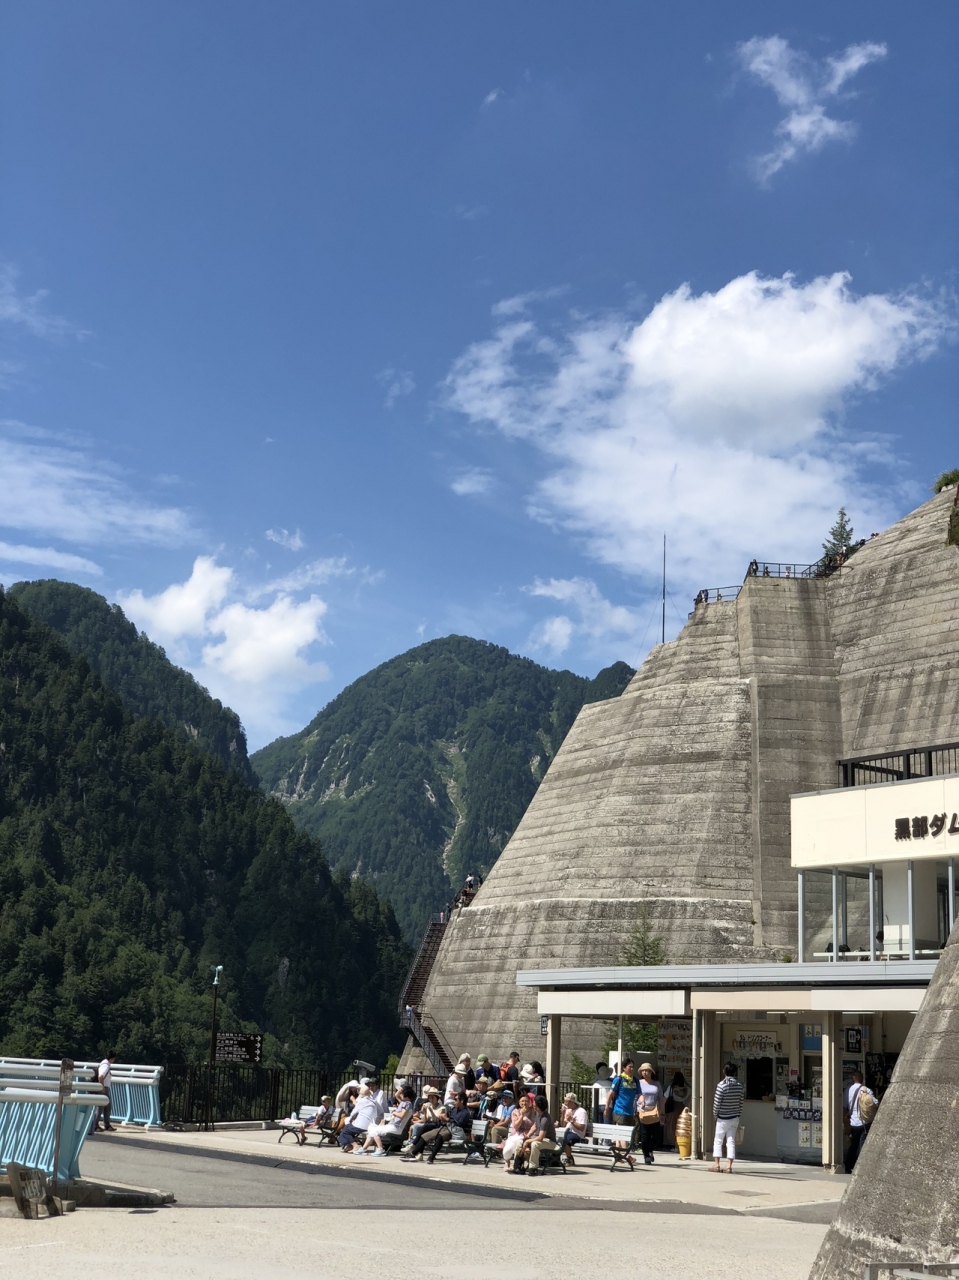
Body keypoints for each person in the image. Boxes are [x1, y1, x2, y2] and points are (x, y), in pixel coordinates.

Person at [357, 1085, 415, 1156]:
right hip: (393, 1125)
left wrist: (394, 1113)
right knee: (372, 1130)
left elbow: (402, 1115)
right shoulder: (405, 1103)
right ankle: (364, 1148)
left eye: (401, 1093)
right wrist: (400, 1090)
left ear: (405, 1094)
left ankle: (380, 1149)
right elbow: (396, 1095)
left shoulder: (406, 1104)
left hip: (396, 1127)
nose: (400, 1094)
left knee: (375, 1131)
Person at [604, 1057, 640, 1166]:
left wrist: (642, 1100)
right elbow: (610, 1094)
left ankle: (618, 1155)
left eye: (633, 1067)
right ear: (624, 1068)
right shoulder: (619, 1079)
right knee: (623, 1132)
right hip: (619, 1110)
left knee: (622, 1133)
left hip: (630, 1111)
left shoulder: (635, 1081)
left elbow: (639, 1094)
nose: (632, 1069)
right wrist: (606, 1107)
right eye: (629, 1067)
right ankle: (627, 1155)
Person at [711, 1062, 745, 1173]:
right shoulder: (739, 1086)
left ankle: (716, 1164)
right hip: (734, 1117)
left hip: (722, 1117)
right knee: (731, 1141)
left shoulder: (721, 1085)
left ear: (724, 1071)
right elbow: (741, 1103)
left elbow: (717, 1103)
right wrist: (738, 1114)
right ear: (735, 1072)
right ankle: (729, 1165)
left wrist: (715, 1115)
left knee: (718, 1140)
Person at [844, 1070, 876, 1173]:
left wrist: (845, 1121)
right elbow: (875, 1103)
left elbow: (844, 1107)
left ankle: (848, 1165)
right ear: (862, 1079)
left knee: (853, 1145)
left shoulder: (848, 1090)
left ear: (853, 1078)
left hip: (853, 1123)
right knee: (863, 1146)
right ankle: (861, 1168)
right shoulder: (867, 1090)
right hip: (864, 1122)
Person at [521, 1095, 559, 1177]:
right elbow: (535, 1126)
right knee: (520, 1142)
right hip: (543, 1140)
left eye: (534, 1103)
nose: (532, 1104)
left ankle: (533, 1168)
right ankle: (519, 1165)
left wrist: (528, 1141)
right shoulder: (538, 1114)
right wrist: (527, 1136)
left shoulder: (545, 1118)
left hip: (550, 1142)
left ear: (538, 1106)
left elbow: (540, 1137)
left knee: (535, 1144)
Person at [336, 1085, 380, 1152]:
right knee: (348, 1129)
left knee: (345, 1132)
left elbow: (354, 1112)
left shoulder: (362, 1101)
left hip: (361, 1125)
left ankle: (355, 1146)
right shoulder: (374, 1101)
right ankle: (349, 1145)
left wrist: (354, 1101)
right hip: (371, 1124)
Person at [636, 1063, 664, 1165]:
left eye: (647, 1070)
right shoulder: (639, 1083)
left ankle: (650, 1149)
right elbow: (636, 1095)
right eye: (643, 1071)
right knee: (645, 1135)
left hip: (654, 1110)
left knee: (656, 1135)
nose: (644, 1072)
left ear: (651, 1072)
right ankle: (646, 1156)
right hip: (642, 1110)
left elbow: (661, 1099)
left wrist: (662, 1113)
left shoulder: (656, 1084)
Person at [502, 1094, 534, 1172]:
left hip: (529, 1135)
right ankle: (507, 1162)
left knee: (519, 1146)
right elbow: (516, 1126)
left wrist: (528, 1135)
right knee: (507, 1150)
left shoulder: (533, 1112)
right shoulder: (515, 1112)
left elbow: (535, 1125)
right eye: (522, 1101)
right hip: (516, 1134)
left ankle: (517, 1165)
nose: (524, 1103)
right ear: (519, 1102)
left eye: (526, 1101)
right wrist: (522, 1115)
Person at [559, 1092, 589, 1166]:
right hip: (568, 1132)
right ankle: (558, 1158)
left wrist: (572, 1121)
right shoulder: (568, 1110)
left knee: (565, 1140)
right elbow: (563, 1125)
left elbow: (582, 1128)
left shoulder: (581, 1112)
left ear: (572, 1102)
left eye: (566, 1101)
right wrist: (563, 1113)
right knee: (558, 1139)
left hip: (577, 1134)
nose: (565, 1103)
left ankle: (569, 1159)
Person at [663, 1071, 690, 1149]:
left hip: (673, 1108)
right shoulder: (687, 1088)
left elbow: (665, 1098)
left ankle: (675, 1144)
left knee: (672, 1126)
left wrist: (662, 1110)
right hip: (683, 1108)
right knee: (682, 1127)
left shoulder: (671, 1088)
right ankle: (680, 1145)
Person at [95, 1051, 116, 1132]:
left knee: (107, 1106)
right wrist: (102, 1087)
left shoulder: (103, 1063)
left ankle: (107, 1125)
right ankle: (95, 1125)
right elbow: (100, 1076)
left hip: (104, 1088)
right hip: (104, 1088)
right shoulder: (106, 1065)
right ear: (112, 1058)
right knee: (101, 1107)